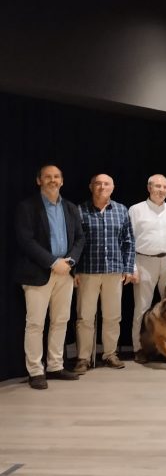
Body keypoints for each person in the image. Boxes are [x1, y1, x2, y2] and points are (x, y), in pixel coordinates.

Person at [16, 164, 85, 389]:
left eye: (56, 177)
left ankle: (55, 366)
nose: (52, 180)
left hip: (65, 272)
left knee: (60, 321)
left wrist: (70, 262)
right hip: (38, 273)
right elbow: (25, 241)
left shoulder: (70, 207)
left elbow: (80, 238)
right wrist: (53, 262)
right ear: (39, 181)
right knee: (35, 324)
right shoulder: (27, 207)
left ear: (62, 181)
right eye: (48, 177)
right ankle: (36, 371)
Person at [73, 174, 136, 374]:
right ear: (91, 186)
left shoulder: (121, 210)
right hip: (87, 271)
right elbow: (73, 241)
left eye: (106, 183)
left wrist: (128, 268)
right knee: (85, 317)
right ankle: (83, 357)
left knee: (112, 316)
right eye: (98, 183)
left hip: (114, 271)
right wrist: (74, 269)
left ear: (113, 187)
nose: (102, 187)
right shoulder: (80, 210)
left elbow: (128, 241)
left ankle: (110, 354)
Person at [128, 174, 166, 359]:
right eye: (157, 186)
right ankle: (139, 348)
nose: (161, 190)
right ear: (149, 188)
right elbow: (129, 241)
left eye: (164, 187)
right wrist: (132, 267)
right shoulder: (136, 210)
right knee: (142, 307)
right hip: (144, 261)